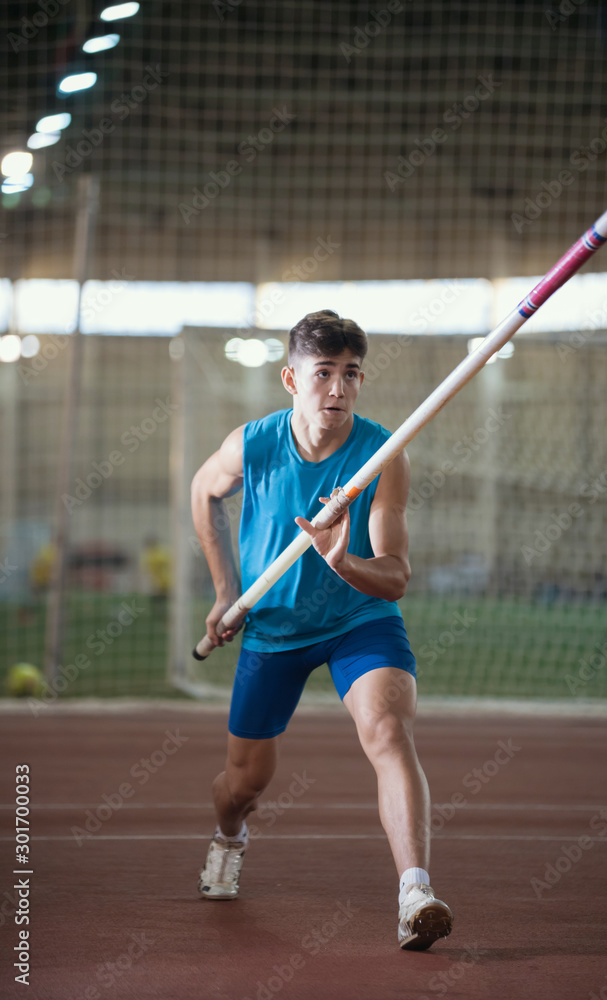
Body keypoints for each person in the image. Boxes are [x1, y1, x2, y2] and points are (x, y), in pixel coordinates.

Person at [190, 309, 453, 951]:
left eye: (352, 374)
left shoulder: (384, 455)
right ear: (291, 378)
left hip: (357, 618)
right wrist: (228, 591)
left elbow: (394, 578)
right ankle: (229, 836)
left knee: (388, 729)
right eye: (324, 373)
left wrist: (343, 561)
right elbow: (204, 492)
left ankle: (414, 893)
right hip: (273, 625)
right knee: (243, 785)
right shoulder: (252, 444)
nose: (338, 388)